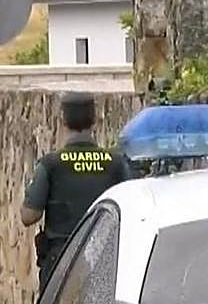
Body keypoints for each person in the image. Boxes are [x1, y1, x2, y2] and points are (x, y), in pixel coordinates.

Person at [20, 91, 130, 289]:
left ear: (63, 121)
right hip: (105, 259)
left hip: (61, 261)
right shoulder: (116, 162)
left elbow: (29, 215)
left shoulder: (51, 164)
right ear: (94, 120)